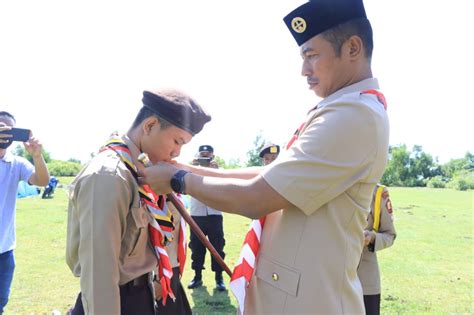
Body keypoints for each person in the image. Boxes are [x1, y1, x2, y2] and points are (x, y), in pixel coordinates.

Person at [140, 0, 390, 313]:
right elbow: (266, 177)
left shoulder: (354, 116)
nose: (304, 70)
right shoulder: (343, 110)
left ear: (353, 48)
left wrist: (177, 180)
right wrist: (183, 167)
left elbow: (256, 197)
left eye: (312, 55)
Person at [66, 89, 210, 315]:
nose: (177, 152)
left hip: (148, 292)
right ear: (150, 125)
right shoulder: (109, 176)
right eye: (176, 141)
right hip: (118, 300)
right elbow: (99, 274)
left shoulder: (145, 170)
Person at [0, 111, 50, 314]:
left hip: (4, 251)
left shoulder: (16, 163)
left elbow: (42, 181)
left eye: (9, 129)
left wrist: (37, 156)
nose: (4, 133)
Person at [187, 145, 226, 291]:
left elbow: (225, 187)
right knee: (196, 246)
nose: (205, 158)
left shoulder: (219, 172)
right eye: (202, 155)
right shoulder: (191, 170)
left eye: (207, 156)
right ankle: (197, 277)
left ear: (213, 156)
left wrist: (214, 172)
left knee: (218, 246)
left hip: (215, 214)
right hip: (197, 215)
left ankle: (219, 278)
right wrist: (192, 168)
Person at [358, 184, 396, 315]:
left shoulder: (378, 193)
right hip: (329, 276)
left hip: (364, 279)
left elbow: (389, 235)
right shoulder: (330, 183)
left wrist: (372, 237)